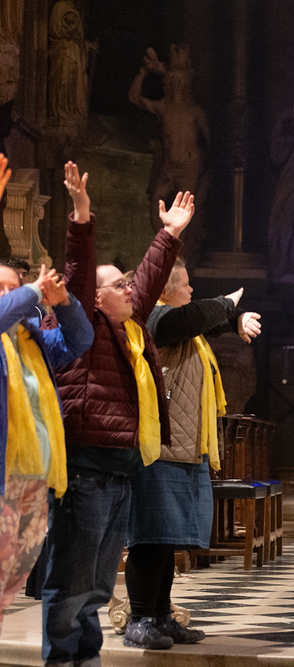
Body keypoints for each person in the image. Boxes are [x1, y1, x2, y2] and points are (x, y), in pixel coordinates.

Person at [43, 161, 192, 663]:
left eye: (129, 285)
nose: (130, 289)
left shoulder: (131, 327)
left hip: (120, 470)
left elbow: (147, 280)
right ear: (93, 297)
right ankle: (63, 660)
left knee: (99, 587)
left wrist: (169, 235)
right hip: (85, 469)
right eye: (118, 285)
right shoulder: (82, 326)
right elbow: (80, 271)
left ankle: (85, 659)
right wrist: (81, 216)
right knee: (73, 583)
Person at [123, 258, 262, 646]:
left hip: (182, 447)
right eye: (185, 285)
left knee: (166, 540)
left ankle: (161, 616)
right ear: (166, 290)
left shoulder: (180, 325)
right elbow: (190, 319)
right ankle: (140, 619)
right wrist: (229, 304)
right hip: (158, 449)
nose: (191, 291)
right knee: (149, 539)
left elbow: (201, 323)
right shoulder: (152, 319)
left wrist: (235, 321)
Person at [0, 153, 94, 635]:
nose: (11, 296)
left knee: (9, 583)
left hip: (34, 477)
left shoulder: (33, 341)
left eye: (13, 287)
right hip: (3, 475)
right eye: (2, 289)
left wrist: (65, 301)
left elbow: (80, 340)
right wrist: (34, 291)